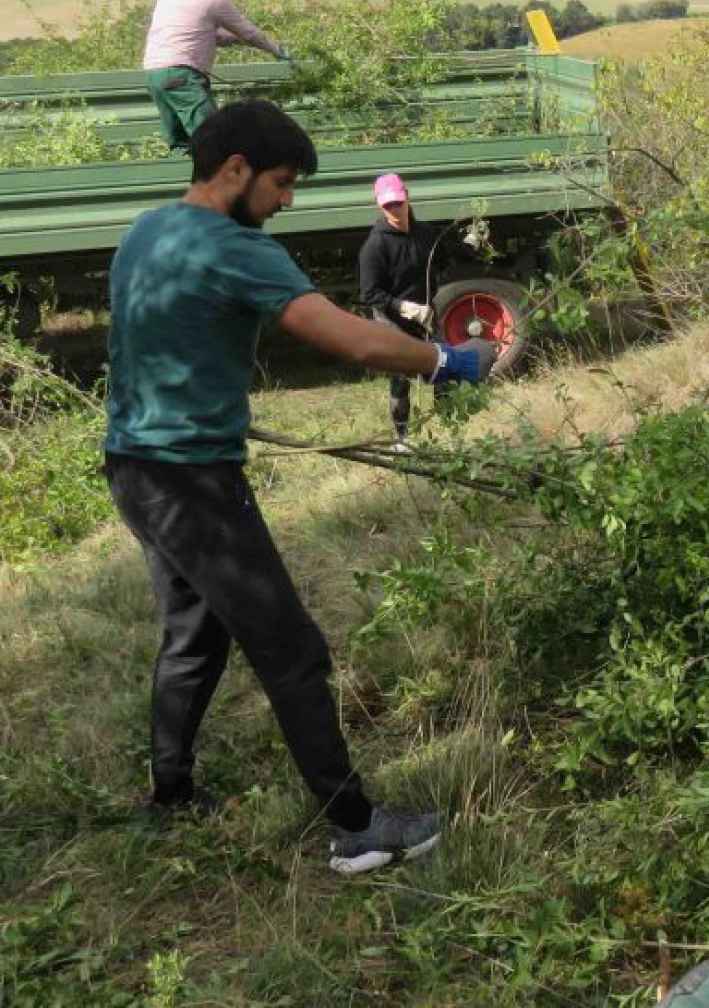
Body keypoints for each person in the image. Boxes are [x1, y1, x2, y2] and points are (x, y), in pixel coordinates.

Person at [102, 99, 495, 874]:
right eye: (281, 183)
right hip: (192, 483)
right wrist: (448, 363)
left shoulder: (146, 230)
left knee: (195, 636)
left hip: (134, 466)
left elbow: (152, 340)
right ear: (235, 170)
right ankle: (354, 827)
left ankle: (170, 798)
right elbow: (348, 337)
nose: (286, 201)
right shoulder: (237, 247)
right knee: (292, 648)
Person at [140, 0, 289, 153]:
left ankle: (190, 182)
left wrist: (236, 39)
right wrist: (275, 49)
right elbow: (249, 32)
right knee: (214, 139)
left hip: (154, 76)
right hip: (181, 75)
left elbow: (204, 35)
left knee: (182, 145)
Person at [356, 173, 449, 449]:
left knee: (443, 366)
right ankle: (403, 438)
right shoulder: (375, 246)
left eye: (398, 202)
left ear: (407, 196)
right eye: (388, 206)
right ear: (379, 206)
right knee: (402, 377)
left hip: (425, 312)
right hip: (392, 317)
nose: (394, 210)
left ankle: (447, 429)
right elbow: (370, 294)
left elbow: (442, 261)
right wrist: (403, 307)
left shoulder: (425, 234)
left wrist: (472, 244)